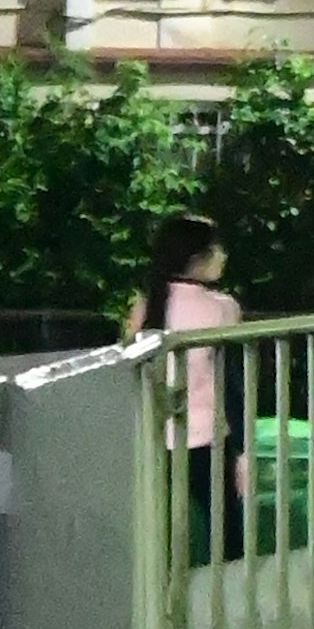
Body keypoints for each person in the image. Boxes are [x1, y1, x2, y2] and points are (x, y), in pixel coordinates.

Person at [123, 211, 231, 558]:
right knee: (227, 530)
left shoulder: (145, 305)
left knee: (158, 536)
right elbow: (231, 383)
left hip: (154, 435)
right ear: (197, 259)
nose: (223, 256)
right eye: (217, 249)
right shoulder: (221, 308)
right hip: (205, 436)